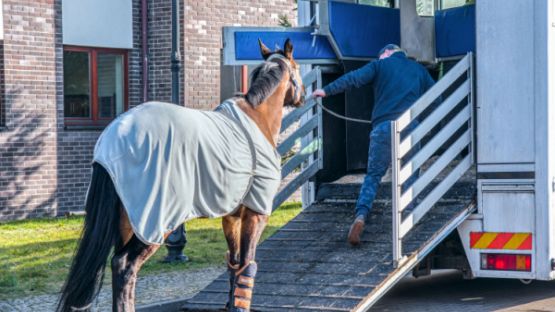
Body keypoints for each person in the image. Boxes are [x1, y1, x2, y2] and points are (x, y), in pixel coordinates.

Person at [312, 44, 435, 246]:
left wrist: (325, 91)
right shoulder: (419, 70)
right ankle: (409, 216)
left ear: (386, 53)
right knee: (410, 172)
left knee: (374, 175)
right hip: (410, 127)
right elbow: (436, 97)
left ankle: (361, 216)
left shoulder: (380, 65)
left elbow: (353, 78)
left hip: (383, 128)